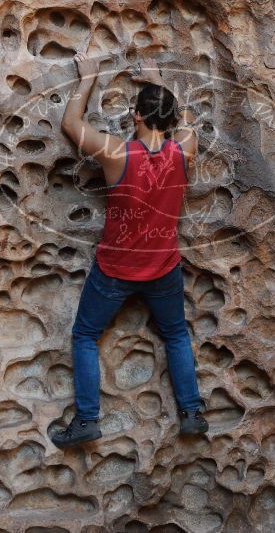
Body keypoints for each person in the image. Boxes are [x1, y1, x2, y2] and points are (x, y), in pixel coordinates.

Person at [50, 53, 208, 448]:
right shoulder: (184, 149)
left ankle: (87, 420)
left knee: (86, 335)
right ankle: (191, 413)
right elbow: (187, 123)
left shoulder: (116, 153)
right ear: (171, 119)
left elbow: (70, 125)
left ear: (136, 115)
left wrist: (86, 79)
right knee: (175, 336)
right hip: (163, 268)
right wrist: (159, 80)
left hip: (115, 269)